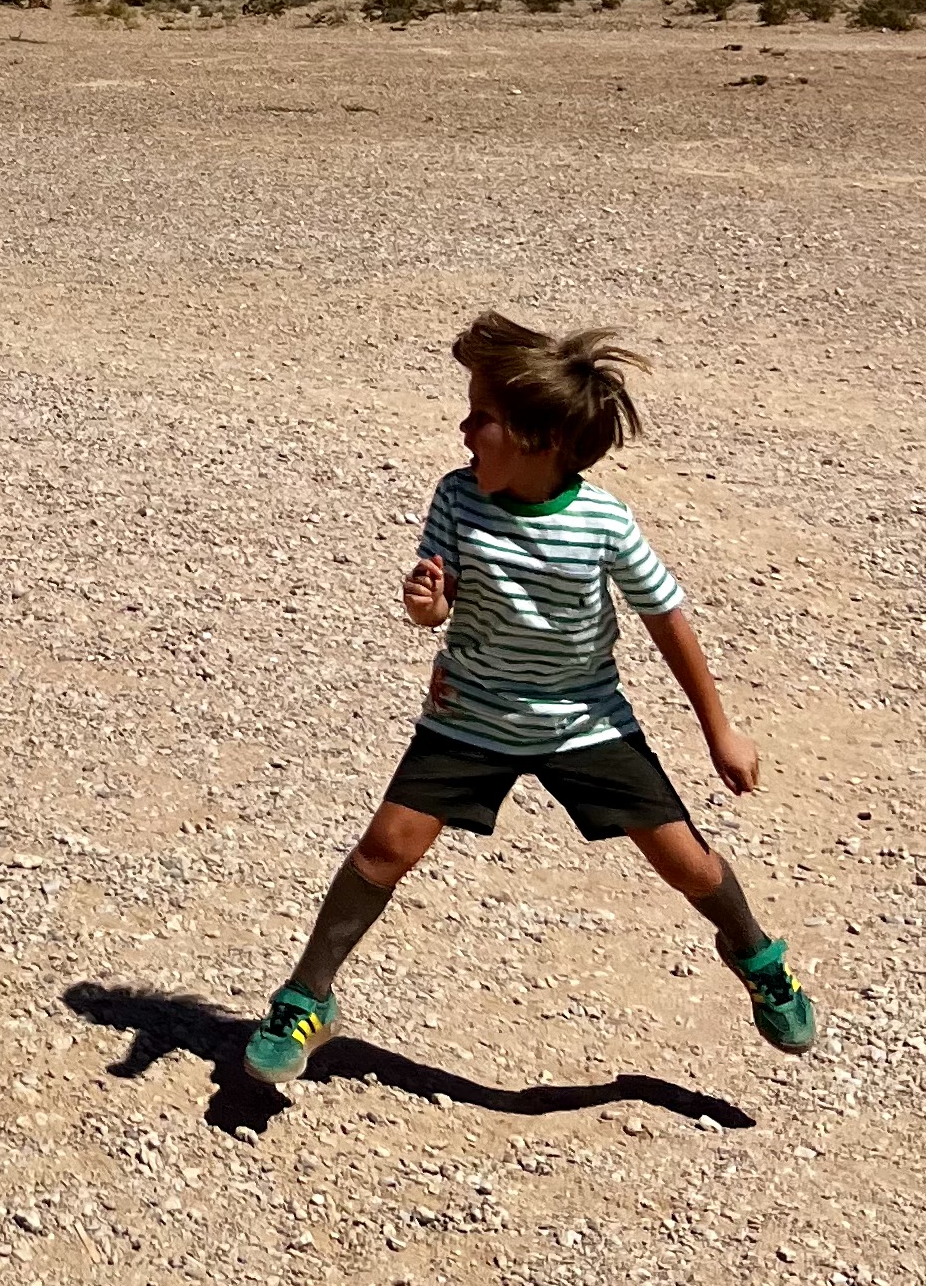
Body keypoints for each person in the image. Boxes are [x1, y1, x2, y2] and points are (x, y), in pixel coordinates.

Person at [242, 311, 816, 1087]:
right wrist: (425, 605)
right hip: (470, 714)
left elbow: (665, 618)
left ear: (537, 439)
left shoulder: (600, 522)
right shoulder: (455, 497)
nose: (461, 426)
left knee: (685, 861)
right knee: (384, 850)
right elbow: (437, 602)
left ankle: (755, 956)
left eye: (480, 416)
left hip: (584, 720)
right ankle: (305, 998)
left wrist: (720, 731)